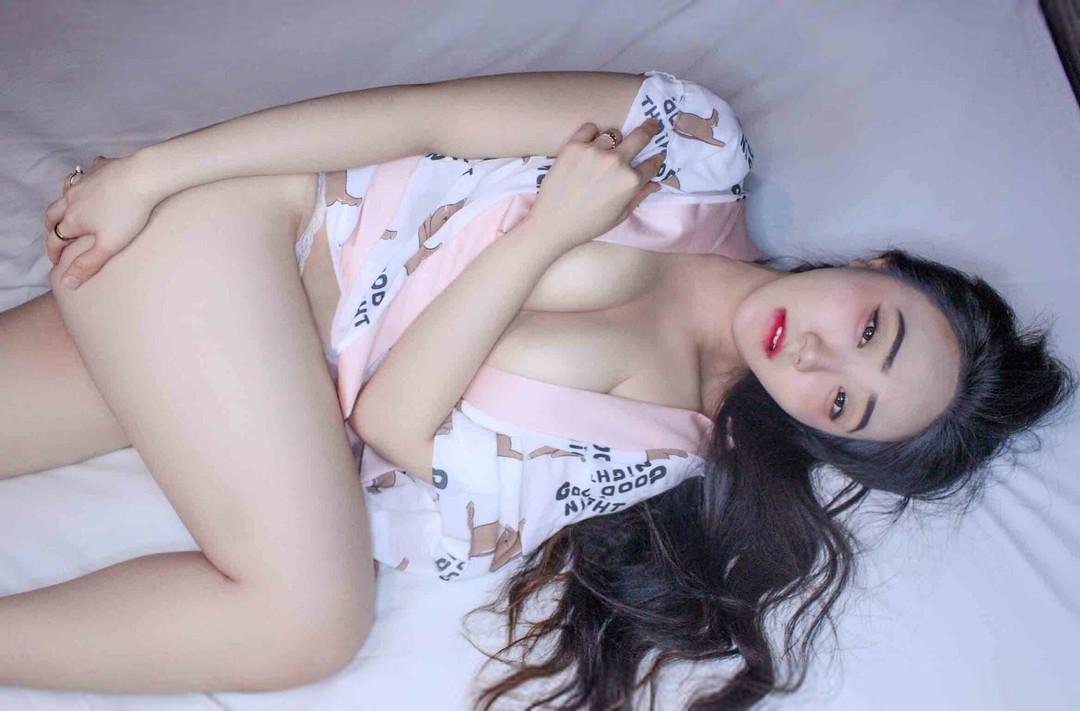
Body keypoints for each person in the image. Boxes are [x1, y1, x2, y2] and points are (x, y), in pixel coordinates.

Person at [1, 70, 1075, 708]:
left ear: (821, 435)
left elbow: (392, 423)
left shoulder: (657, 443)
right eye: (871, 329)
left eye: (843, 406)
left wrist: (550, 231)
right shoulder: (691, 147)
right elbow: (420, 118)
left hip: (217, 355)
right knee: (309, 622)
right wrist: (154, 173)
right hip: (238, 229)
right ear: (879, 267)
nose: (819, 362)